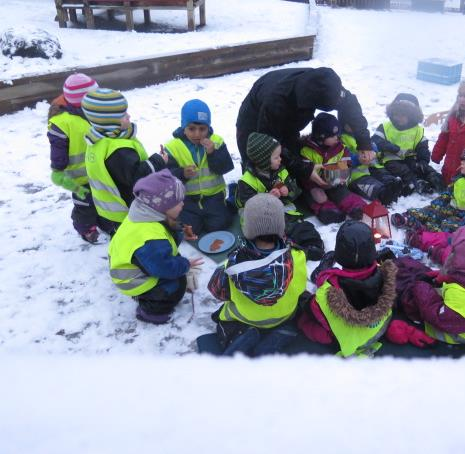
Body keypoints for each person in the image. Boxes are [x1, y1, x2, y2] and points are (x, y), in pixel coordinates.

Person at [298, 221, 424, 357]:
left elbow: (314, 311)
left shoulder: (329, 292)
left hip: (353, 343)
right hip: (380, 329)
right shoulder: (386, 275)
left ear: (340, 254)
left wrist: (304, 300)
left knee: (304, 321)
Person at [207, 193, 308, 356]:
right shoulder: (297, 257)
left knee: (220, 318)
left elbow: (217, 292)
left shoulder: (231, 266)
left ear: (247, 227)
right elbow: (301, 287)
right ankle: (282, 333)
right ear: (281, 226)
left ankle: (238, 337)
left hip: (246, 319)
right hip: (284, 315)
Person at [236, 67, 373, 179]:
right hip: (253, 120)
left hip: (289, 114)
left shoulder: (323, 84)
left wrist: (364, 142)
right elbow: (269, 142)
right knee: (262, 167)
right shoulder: (276, 103)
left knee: (293, 158)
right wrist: (305, 170)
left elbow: (349, 104)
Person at [109, 169, 203, 324]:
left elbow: (164, 227)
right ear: (163, 206)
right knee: (176, 286)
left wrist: (180, 232)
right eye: (178, 202)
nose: (182, 204)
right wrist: (185, 264)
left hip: (139, 263)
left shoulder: (144, 212)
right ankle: (150, 310)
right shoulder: (150, 239)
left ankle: (152, 296)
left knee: (175, 269)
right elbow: (163, 267)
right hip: (131, 280)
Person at [81, 88, 167, 232]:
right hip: (126, 209)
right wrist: (158, 161)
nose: (129, 116)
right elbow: (136, 176)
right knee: (134, 239)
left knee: (122, 237)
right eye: (123, 115)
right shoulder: (119, 150)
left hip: (110, 208)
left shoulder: (98, 141)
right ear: (109, 123)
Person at [236, 132, 325, 260]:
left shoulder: (281, 171)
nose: (280, 159)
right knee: (265, 238)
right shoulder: (246, 181)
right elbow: (247, 204)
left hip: (284, 215)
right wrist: (267, 198)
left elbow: (295, 190)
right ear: (264, 160)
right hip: (259, 222)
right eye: (276, 157)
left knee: (301, 227)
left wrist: (287, 190)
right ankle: (274, 252)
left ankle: (311, 245)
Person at [47, 73, 111, 243]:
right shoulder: (63, 122)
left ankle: (104, 220)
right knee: (85, 204)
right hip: (79, 177)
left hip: (100, 170)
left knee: (102, 197)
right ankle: (85, 228)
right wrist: (58, 169)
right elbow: (58, 148)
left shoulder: (95, 113)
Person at [164, 99, 234, 235]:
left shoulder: (217, 141)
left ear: (208, 128)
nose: (197, 134)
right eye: (191, 129)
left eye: (202, 129)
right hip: (187, 201)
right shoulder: (173, 147)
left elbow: (226, 167)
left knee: (221, 224)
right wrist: (182, 173)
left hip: (214, 197)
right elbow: (167, 178)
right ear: (183, 127)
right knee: (187, 230)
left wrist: (213, 153)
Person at [400, 226, 465, 345]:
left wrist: (422, 288)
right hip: (452, 312)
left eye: (454, 253)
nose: (450, 256)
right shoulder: (461, 275)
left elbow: (438, 317)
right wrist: (448, 278)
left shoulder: (460, 296)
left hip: (449, 334)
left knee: (408, 290)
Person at [299, 113, 367, 224]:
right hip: (314, 184)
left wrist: (340, 174)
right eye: (332, 136)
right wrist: (313, 186)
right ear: (321, 137)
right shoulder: (307, 151)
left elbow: (347, 163)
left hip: (334, 180)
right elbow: (304, 173)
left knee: (343, 194)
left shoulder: (340, 148)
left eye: (338, 134)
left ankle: (357, 207)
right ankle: (327, 211)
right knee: (318, 198)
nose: (337, 137)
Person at [371, 93, 444, 195]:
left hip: (410, 158)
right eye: (397, 114)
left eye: (403, 115)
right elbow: (376, 141)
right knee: (404, 171)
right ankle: (415, 183)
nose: (399, 118)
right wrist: (394, 148)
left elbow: (422, 147)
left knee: (422, 168)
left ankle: (437, 181)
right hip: (389, 159)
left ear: (412, 116)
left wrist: (423, 160)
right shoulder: (386, 126)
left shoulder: (417, 130)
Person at [391, 149, 465, 233]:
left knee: (447, 226)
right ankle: (408, 218)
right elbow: (447, 195)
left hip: (461, 218)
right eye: (462, 160)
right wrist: (436, 206)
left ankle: (424, 232)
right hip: (451, 209)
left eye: (464, 161)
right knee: (431, 212)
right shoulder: (459, 179)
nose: (461, 162)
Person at [341, 124, 402, 205]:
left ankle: (392, 185)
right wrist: (357, 159)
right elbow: (342, 161)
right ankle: (383, 194)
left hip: (371, 167)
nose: (354, 125)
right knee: (369, 185)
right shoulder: (341, 139)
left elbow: (373, 145)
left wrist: (373, 151)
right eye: (350, 123)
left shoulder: (362, 135)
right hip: (355, 175)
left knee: (383, 174)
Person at [432, 81, 465, 185]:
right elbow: (444, 139)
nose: (462, 100)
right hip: (448, 173)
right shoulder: (452, 118)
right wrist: (436, 154)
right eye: (461, 95)